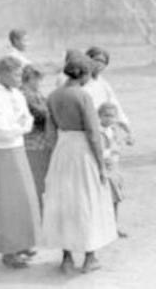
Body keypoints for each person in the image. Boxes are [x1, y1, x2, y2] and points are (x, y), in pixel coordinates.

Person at [41, 52, 117, 274]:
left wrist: (53, 160)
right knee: (86, 200)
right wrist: (101, 165)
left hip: (62, 151)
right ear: (83, 75)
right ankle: (89, 258)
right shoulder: (83, 96)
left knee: (65, 202)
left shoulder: (53, 96)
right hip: (82, 151)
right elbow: (93, 133)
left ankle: (66, 258)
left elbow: (50, 133)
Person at [0, 56, 41, 268]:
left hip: (17, 148)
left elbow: (29, 119)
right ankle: (8, 251)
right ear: (3, 74)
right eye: (16, 75)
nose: (20, 78)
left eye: (20, 74)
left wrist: (20, 126)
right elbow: (3, 131)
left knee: (22, 199)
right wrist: (21, 127)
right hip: (0, 152)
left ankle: (22, 243)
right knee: (6, 203)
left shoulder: (17, 93)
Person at [21, 65, 54, 212]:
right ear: (30, 79)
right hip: (33, 143)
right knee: (38, 181)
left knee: (42, 180)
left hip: (41, 141)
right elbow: (41, 115)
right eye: (38, 79)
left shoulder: (36, 93)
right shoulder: (26, 95)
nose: (40, 82)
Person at [99, 102, 133, 239]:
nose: (109, 118)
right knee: (104, 200)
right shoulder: (98, 132)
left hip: (114, 168)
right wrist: (112, 150)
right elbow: (100, 151)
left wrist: (126, 140)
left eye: (112, 116)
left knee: (115, 199)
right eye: (105, 116)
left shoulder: (113, 129)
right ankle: (104, 228)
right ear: (99, 116)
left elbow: (119, 144)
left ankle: (113, 226)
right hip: (104, 168)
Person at [84, 46, 132, 138]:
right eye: (96, 60)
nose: (99, 64)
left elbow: (116, 106)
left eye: (103, 62)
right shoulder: (79, 83)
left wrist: (127, 130)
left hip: (103, 128)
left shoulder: (104, 84)